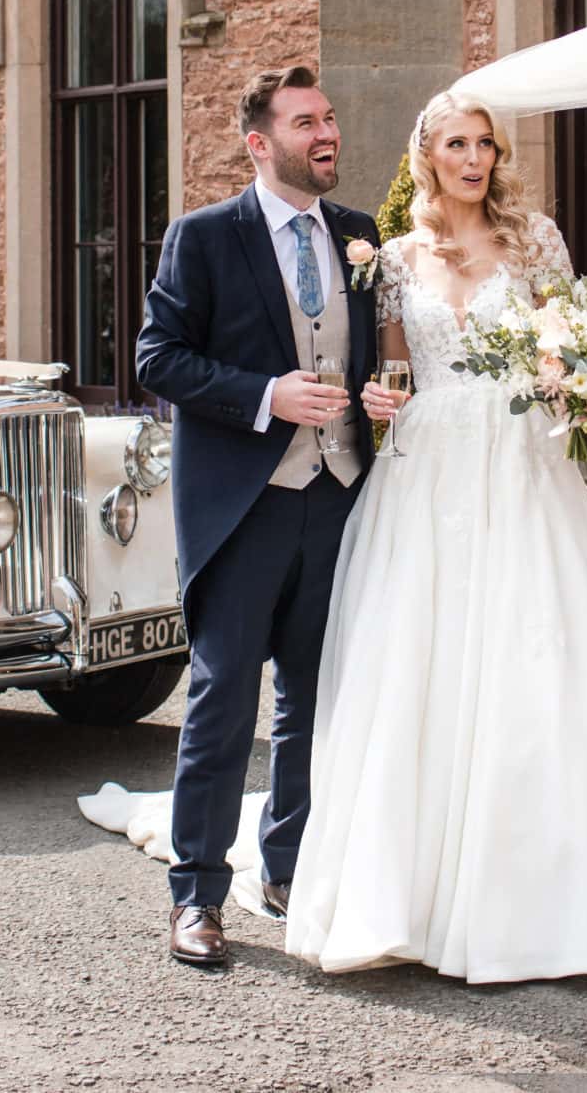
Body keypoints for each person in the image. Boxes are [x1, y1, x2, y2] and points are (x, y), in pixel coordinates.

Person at [275, 90, 587, 981]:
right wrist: (384, 399)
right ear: (427, 154)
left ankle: (569, 892)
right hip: (427, 475)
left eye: (486, 145)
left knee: (543, 659)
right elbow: (392, 375)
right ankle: (411, 899)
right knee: (423, 666)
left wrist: (572, 381)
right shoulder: (391, 258)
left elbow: (565, 345)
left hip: (520, 463)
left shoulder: (535, 237)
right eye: (457, 144)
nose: (474, 159)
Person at [132, 64, 397, 970]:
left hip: (340, 496)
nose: (326, 133)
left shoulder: (361, 236)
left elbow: (370, 357)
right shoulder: (203, 237)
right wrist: (266, 395)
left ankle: (287, 869)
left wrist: (374, 402)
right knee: (221, 700)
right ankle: (196, 892)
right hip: (246, 506)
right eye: (305, 122)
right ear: (260, 143)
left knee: (314, 701)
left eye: (329, 117)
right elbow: (158, 359)